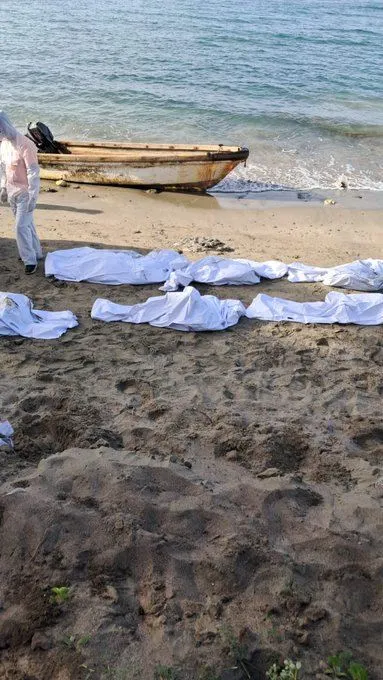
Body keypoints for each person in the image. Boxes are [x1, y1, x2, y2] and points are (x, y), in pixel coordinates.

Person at [0, 111, 42, 274]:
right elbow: (3, 168)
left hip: (25, 192)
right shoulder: (4, 145)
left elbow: (33, 171)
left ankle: (29, 260)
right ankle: (36, 252)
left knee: (20, 227)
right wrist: (3, 187)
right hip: (12, 191)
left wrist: (33, 195)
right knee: (27, 224)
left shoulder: (26, 144)